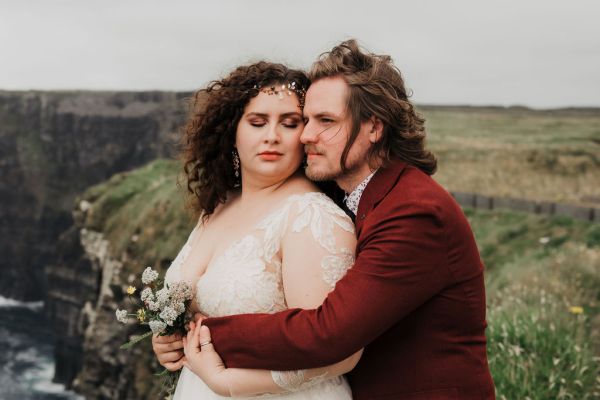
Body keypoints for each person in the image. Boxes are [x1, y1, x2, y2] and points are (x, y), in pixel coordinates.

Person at [175, 40, 497, 399]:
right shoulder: (346, 193)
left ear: (374, 128)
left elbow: (327, 333)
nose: (306, 135)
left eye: (325, 121)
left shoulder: (415, 212)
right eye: (307, 120)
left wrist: (197, 332)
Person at [154, 61, 362, 398]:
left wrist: (229, 384)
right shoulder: (218, 207)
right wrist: (170, 339)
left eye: (290, 123)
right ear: (233, 132)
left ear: (305, 135)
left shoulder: (311, 217)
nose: (272, 136)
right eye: (257, 122)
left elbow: (340, 352)